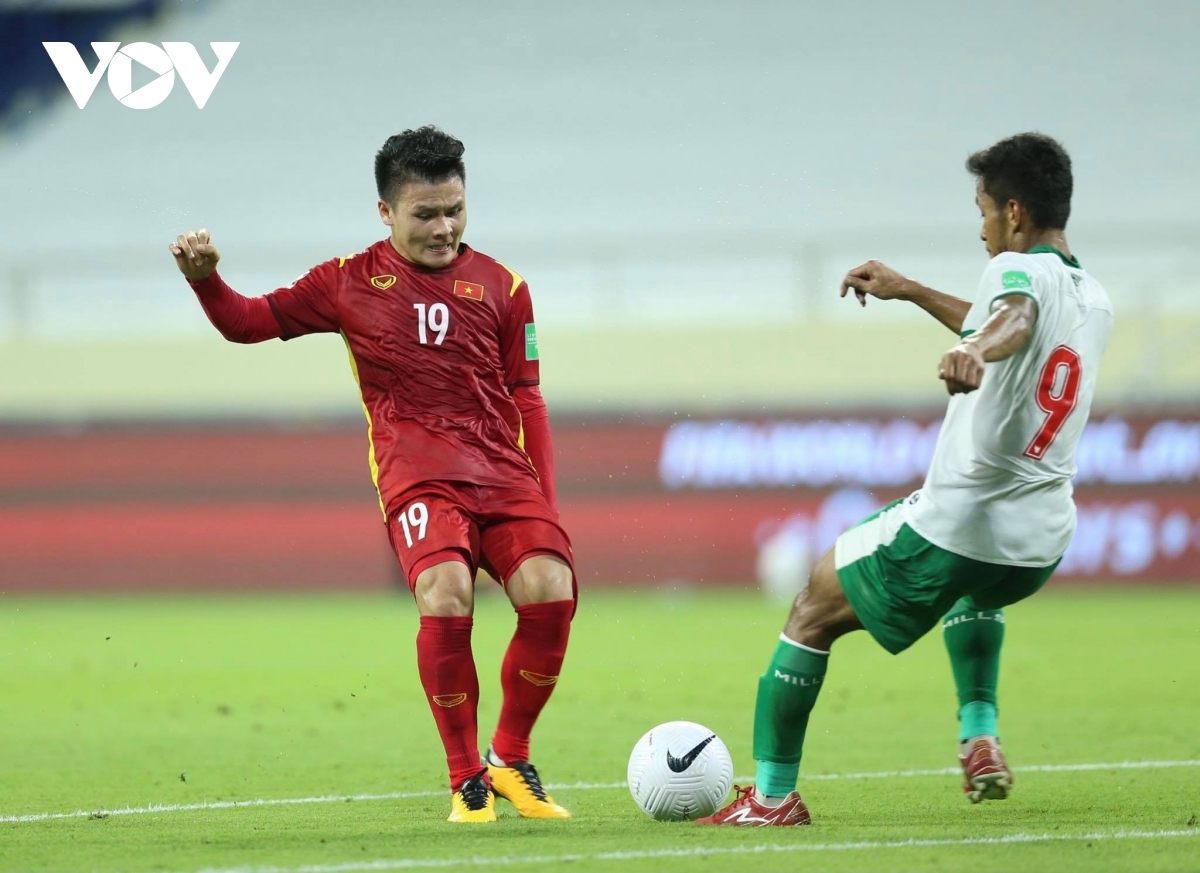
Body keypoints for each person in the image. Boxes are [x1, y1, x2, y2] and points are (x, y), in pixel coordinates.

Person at [699, 132, 1113, 826]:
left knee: (810, 610)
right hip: (1039, 541)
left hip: (961, 520)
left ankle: (772, 796)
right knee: (975, 587)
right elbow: (1022, 323)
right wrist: (913, 291)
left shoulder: (1015, 273)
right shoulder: (1092, 295)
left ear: (1014, 212)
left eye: (982, 209)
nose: (979, 225)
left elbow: (1011, 317)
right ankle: (979, 733)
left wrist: (972, 348)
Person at [169, 126, 576, 824]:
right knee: (446, 593)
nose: (444, 226)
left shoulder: (505, 287)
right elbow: (248, 322)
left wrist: (546, 500)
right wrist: (206, 280)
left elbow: (526, 396)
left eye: (455, 208)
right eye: (426, 213)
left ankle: (510, 754)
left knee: (552, 584)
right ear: (385, 211)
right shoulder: (346, 281)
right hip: (418, 473)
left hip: (502, 473)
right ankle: (465, 776)